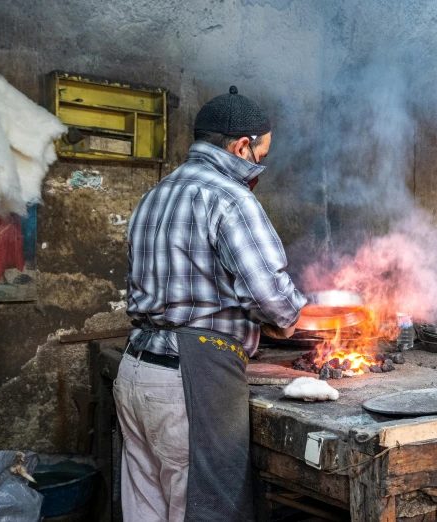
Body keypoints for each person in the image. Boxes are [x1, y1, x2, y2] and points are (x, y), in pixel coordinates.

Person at [114, 85, 307, 522]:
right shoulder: (230, 197)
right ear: (243, 146)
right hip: (190, 380)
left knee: (146, 508)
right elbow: (270, 296)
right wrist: (291, 319)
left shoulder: (154, 195)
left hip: (136, 369)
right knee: (204, 508)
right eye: (263, 154)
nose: (261, 164)